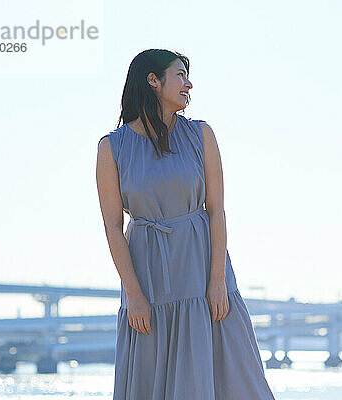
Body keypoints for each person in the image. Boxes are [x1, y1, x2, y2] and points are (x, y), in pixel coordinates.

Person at [96, 49, 276, 399]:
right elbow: (112, 228)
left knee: (234, 378)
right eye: (180, 75)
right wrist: (133, 294)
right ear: (153, 81)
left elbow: (216, 210)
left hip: (202, 273)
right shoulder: (112, 148)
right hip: (148, 280)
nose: (188, 84)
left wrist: (218, 281)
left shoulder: (201, 135)